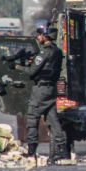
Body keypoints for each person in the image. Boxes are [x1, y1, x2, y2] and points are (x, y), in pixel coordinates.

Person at [23, 27, 68, 164]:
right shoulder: (58, 51)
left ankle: (31, 154)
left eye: (40, 35)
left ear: (46, 36)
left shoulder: (44, 52)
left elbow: (31, 72)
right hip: (51, 89)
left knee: (32, 119)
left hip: (40, 90)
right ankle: (63, 154)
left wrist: (17, 67)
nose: (38, 37)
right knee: (53, 120)